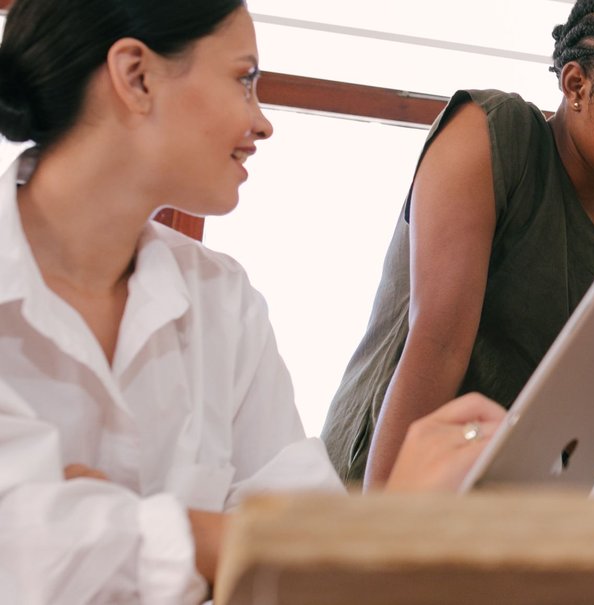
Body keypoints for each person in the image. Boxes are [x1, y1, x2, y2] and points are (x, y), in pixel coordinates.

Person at [0, 1, 504, 602]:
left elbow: (302, 567)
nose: (263, 123)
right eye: (244, 80)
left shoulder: (224, 300)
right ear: (136, 76)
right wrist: (215, 542)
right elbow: (33, 553)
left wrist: (114, 520)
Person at [321, 0, 594, 488]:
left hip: (506, 492)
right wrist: (382, 530)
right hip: (388, 477)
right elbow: (438, 344)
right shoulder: (490, 132)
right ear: (576, 85)